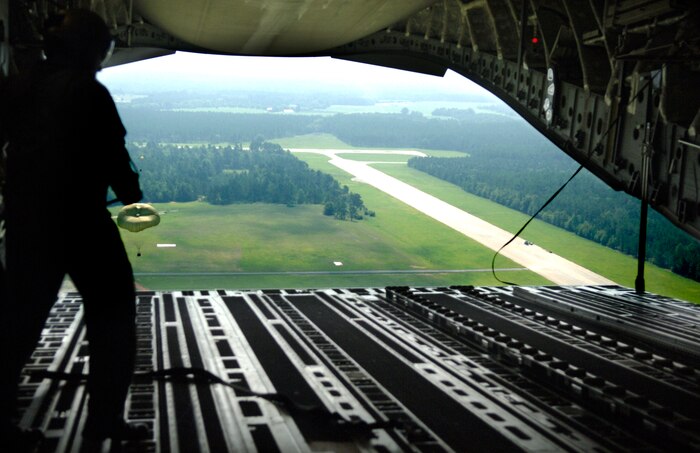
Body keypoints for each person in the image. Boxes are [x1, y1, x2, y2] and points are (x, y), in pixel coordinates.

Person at [0, 8, 146, 448]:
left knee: (17, 325)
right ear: (91, 48)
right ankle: (103, 421)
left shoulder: (17, 86)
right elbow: (114, 158)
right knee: (113, 318)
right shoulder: (87, 92)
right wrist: (134, 196)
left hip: (28, 224)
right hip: (81, 223)